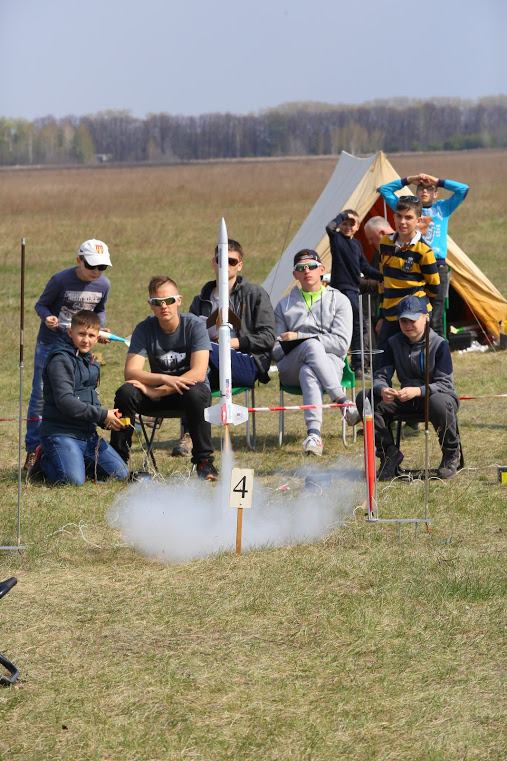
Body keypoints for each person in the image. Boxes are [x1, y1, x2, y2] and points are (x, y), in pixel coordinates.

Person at [170, 238, 275, 456]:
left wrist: (230, 343)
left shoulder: (255, 294)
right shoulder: (201, 300)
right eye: (221, 260)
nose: (225, 265)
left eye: (231, 261)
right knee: (196, 372)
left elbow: (268, 337)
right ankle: (192, 436)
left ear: (240, 265)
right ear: (213, 262)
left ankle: (183, 426)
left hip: (247, 363)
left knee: (201, 354)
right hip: (210, 364)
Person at [110, 276, 218, 481]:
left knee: (196, 392)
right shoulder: (144, 328)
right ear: (150, 305)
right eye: (156, 302)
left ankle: (204, 462)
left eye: (168, 301)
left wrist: (156, 390)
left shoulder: (194, 326)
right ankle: (117, 460)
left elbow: (198, 373)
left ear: (179, 300)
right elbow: (131, 372)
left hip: (188, 395)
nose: (163, 307)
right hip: (159, 393)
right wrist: (164, 380)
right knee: (126, 392)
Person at [24, 239, 113, 469]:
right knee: (40, 396)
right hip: (52, 343)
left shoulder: (103, 285)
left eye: (101, 267)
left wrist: (98, 329)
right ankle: (34, 449)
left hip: (81, 345)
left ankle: (76, 443)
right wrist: (47, 317)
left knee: (80, 391)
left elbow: (100, 310)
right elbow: (40, 305)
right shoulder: (60, 280)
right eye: (91, 266)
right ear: (78, 260)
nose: (96, 272)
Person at [354, 295, 462, 481]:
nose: (407, 324)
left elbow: (445, 384)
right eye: (403, 320)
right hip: (406, 400)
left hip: (439, 399)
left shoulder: (440, 344)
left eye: (412, 319)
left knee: (438, 402)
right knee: (365, 397)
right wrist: (382, 390)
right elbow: (380, 376)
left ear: (425, 317)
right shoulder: (392, 343)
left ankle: (451, 454)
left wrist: (418, 391)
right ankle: (389, 454)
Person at [29, 310, 128, 485]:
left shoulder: (91, 362)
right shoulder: (60, 359)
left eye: (91, 335)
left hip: (88, 435)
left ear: (98, 338)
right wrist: (102, 414)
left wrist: (105, 421)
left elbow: (89, 397)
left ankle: (74, 461)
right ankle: (44, 460)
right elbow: (65, 401)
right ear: (70, 333)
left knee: (120, 474)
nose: (86, 340)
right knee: (73, 481)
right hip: (60, 433)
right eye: (81, 334)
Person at [272, 249, 353, 456]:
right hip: (290, 365)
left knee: (309, 369)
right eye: (301, 268)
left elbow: (341, 344)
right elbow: (275, 349)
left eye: (312, 266)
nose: (307, 271)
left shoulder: (340, 300)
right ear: (295, 275)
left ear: (322, 270)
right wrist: (304, 343)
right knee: (310, 347)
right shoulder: (284, 305)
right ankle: (342, 401)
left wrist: (300, 337)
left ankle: (314, 435)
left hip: (331, 364)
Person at [378, 173, 469, 336]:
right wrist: (410, 179)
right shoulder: (407, 210)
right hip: (411, 262)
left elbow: (463, 190)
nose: (425, 191)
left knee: (435, 315)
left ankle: (437, 353)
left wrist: (438, 181)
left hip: (436, 264)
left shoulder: (442, 208)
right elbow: (384, 190)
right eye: (421, 188)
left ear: (435, 193)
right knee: (410, 315)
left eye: (429, 188)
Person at [375, 196, 440, 366]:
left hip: (415, 316)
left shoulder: (424, 251)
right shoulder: (384, 243)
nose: (402, 221)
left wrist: (420, 309)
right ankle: (381, 392)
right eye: (399, 216)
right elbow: (385, 282)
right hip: (390, 314)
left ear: (418, 220)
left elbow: (434, 287)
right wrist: (381, 315)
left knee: (417, 364)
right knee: (382, 362)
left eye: (408, 217)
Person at [325, 210, 382, 377]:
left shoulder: (356, 244)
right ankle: (348, 365)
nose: (348, 226)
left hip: (353, 290)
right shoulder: (336, 239)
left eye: (352, 224)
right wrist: (343, 215)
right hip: (340, 290)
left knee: (357, 326)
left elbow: (364, 267)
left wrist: (382, 277)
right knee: (352, 325)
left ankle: (358, 366)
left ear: (358, 227)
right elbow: (329, 227)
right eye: (345, 223)